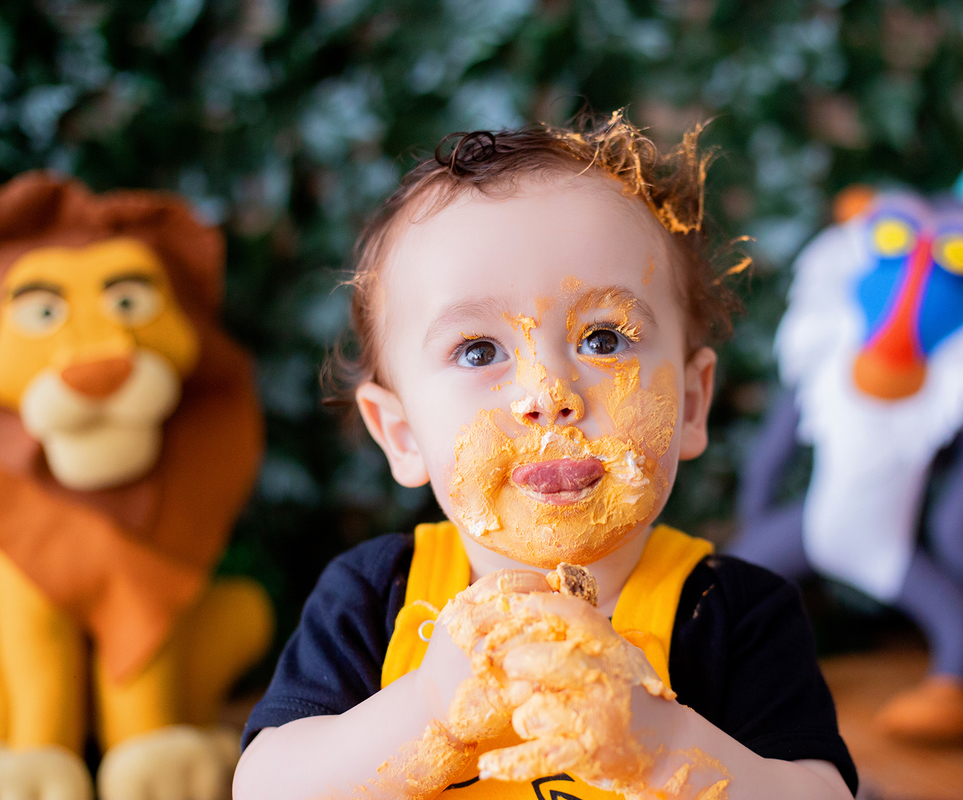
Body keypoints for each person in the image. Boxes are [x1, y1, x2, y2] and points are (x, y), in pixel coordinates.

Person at [233, 114, 857, 800]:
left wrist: (659, 741)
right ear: (402, 434)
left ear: (689, 404)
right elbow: (265, 786)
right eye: (478, 351)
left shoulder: (733, 613)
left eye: (603, 338)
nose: (548, 394)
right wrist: (430, 711)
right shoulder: (375, 597)